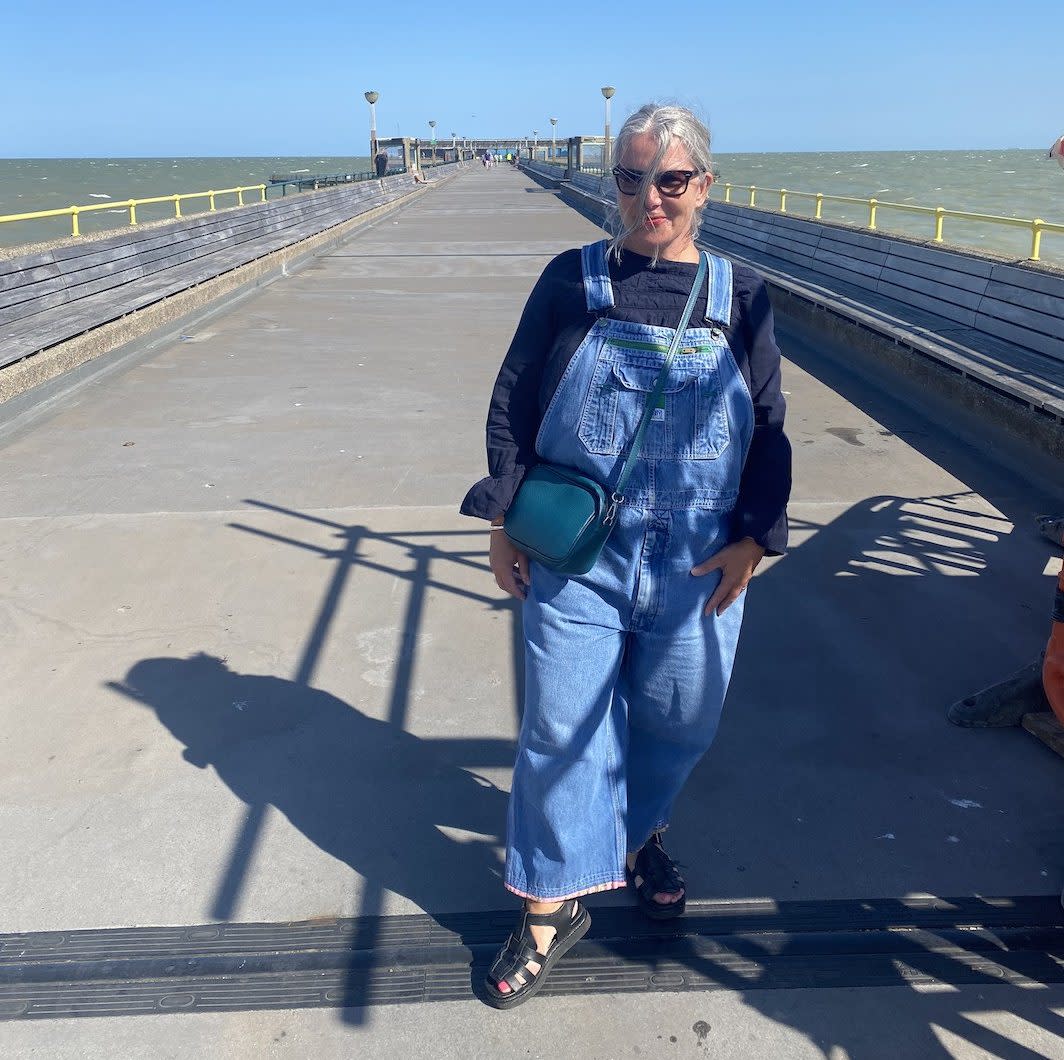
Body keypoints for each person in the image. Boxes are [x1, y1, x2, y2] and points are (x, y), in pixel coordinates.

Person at [461, 102, 792, 1008]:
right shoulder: (571, 280)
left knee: (680, 720)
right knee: (558, 728)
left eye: (670, 180)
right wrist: (501, 516)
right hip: (578, 555)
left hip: (698, 561)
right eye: (629, 177)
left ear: (704, 188)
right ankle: (546, 905)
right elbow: (514, 400)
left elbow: (768, 427)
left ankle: (635, 834)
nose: (648, 197)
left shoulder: (743, 295)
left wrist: (756, 537)